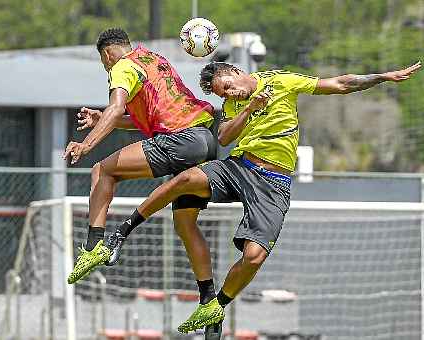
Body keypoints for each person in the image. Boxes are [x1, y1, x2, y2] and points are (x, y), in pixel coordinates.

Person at [76, 60, 422, 336]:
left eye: (228, 86)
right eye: (223, 93)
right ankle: (122, 232)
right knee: (184, 180)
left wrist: (384, 77)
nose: (230, 94)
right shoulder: (231, 105)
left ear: (238, 73)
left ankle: (217, 304)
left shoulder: (281, 81)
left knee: (254, 257)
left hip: (273, 183)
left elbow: (339, 84)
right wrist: (247, 107)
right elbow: (224, 137)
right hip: (239, 168)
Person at [63, 27, 219, 309]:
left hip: (180, 140)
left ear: (108, 55)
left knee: (102, 170)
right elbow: (145, 118)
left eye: (103, 63)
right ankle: (209, 299)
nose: (105, 68)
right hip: (205, 141)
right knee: (186, 225)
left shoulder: (121, 66)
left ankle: (93, 246)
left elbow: (116, 107)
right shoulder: (153, 59)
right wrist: (102, 117)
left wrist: (86, 144)